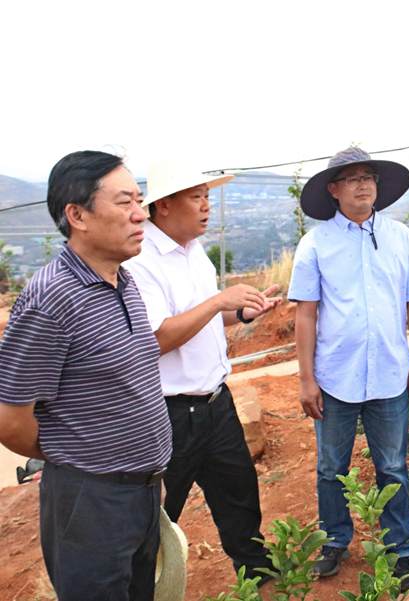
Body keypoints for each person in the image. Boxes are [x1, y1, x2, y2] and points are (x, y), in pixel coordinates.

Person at [0, 151, 172, 601]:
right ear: (77, 215)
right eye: (124, 202)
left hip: (141, 489)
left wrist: (145, 473)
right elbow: (11, 421)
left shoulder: (123, 281)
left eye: (139, 200)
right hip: (90, 502)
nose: (141, 214)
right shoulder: (50, 300)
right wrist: (78, 458)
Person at [288, 147, 409, 591]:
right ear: (334, 190)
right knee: (330, 467)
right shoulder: (316, 243)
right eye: (353, 178)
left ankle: (400, 551)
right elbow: (306, 314)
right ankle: (334, 541)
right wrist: (306, 379)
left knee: (392, 467)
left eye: (369, 176)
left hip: (391, 374)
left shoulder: (400, 238)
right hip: (335, 377)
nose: (363, 185)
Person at [124, 161, 281, 584]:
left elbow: (203, 318)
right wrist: (217, 302)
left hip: (216, 403)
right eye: (196, 197)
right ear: (164, 205)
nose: (206, 206)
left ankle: (259, 578)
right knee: (157, 518)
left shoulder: (194, 252)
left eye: (207, 196)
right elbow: (157, 338)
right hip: (168, 415)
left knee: (240, 499)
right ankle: (144, 588)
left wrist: (241, 312)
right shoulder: (141, 262)